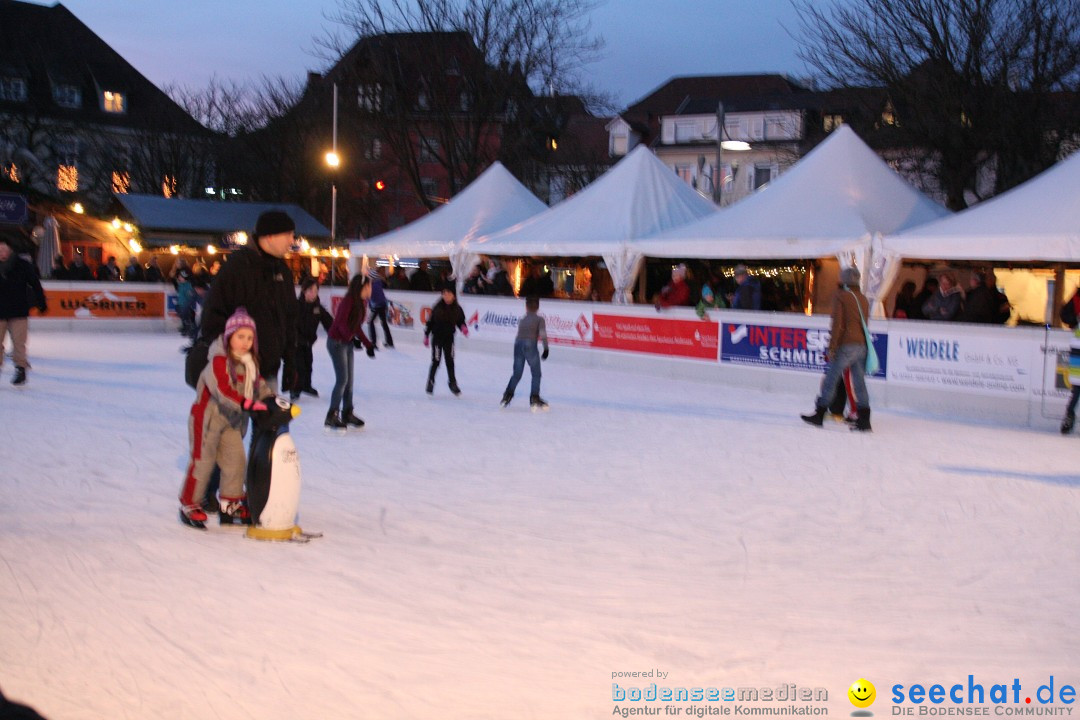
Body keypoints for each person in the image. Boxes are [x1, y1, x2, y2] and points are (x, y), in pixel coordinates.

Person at [178, 307, 274, 528]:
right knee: (203, 462)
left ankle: (230, 502)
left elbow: (258, 386)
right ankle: (189, 503)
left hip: (231, 420)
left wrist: (271, 399)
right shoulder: (218, 361)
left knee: (236, 460)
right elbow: (223, 391)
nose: (245, 342)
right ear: (230, 336)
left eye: (249, 338)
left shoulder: (250, 363)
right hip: (207, 419)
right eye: (240, 337)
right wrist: (246, 403)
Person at [197, 210, 299, 393]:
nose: (293, 241)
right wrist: (231, 359)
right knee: (231, 422)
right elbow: (212, 319)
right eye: (289, 235)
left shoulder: (283, 271)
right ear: (269, 237)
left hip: (269, 373)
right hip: (236, 373)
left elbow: (290, 319)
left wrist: (291, 361)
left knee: (275, 421)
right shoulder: (237, 268)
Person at [800, 266, 872, 432]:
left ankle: (819, 413)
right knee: (859, 383)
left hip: (846, 345)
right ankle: (865, 420)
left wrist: (832, 348)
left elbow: (837, 325)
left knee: (831, 379)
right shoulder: (863, 298)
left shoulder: (842, 297)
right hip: (861, 345)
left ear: (844, 280)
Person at [325, 274, 376, 430]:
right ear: (363, 287)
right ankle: (331, 416)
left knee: (349, 381)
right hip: (336, 343)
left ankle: (347, 413)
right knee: (342, 380)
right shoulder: (348, 302)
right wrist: (350, 337)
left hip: (346, 343)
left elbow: (356, 326)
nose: (371, 289)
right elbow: (340, 323)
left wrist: (368, 344)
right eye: (370, 286)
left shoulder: (361, 303)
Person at [0, 238, 47, 386]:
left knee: (19, 343)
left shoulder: (23, 265)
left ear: (10, 250)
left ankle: (21, 369)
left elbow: (35, 283)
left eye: (3, 249)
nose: (1, 252)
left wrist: (41, 301)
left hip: (18, 310)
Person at [501, 295, 550, 410]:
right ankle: (534, 397)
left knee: (517, 373)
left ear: (526, 307)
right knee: (536, 373)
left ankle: (507, 396)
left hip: (518, 345)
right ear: (538, 307)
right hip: (529, 345)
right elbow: (542, 334)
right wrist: (546, 348)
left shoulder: (523, 319)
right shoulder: (539, 319)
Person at [424, 283, 468, 395]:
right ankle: (430, 381)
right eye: (444, 293)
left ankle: (452, 383)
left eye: (448, 293)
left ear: (453, 295)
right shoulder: (437, 307)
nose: (446, 296)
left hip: (449, 338)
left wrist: (463, 328)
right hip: (437, 338)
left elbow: (460, 321)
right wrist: (426, 335)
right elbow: (430, 322)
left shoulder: (457, 309)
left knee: (450, 361)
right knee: (436, 361)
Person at [292, 277, 333, 401]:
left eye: (315, 291)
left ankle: (306, 386)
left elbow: (329, 322)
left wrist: (336, 333)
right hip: (296, 342)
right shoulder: (297, 306)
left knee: (308, 364)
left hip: (308, 342)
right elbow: (290, 324)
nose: (313, 293)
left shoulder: (317, 308)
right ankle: (295, 389)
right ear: (304, 291)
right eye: (310, 290)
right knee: (299, 366)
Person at [1060, 288, 1080, 434]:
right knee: (1078, 388)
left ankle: (1069, 416)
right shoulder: (1077, 298)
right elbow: (1065, 315)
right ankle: (1069, 416)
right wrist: (1075, 318)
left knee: (1077, 389)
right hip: (1078, 348)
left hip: (1077, 347)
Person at [366, 267, 394, 348]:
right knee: (384, 323)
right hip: (383, 304)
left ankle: (373, 343)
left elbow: (369, 297)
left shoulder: (372, 286)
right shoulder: (379, 283)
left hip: (376, 306)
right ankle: (390, 342)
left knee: (370, 322)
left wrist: (370, 304)